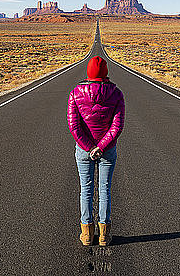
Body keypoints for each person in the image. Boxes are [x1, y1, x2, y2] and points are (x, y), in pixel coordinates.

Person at [67, 56, 125, 246]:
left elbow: (74, 126)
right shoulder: (116, 94)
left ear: (88, 73)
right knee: (105, 189)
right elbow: (117, 126)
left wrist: (89, 147)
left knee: (86, 190)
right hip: (107, 150)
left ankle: (86, 234)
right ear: (106, 72)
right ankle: (104, 235)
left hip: (84, 150)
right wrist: (101, 147)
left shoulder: (76, 93)